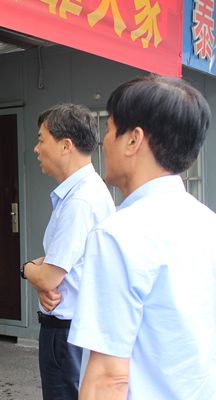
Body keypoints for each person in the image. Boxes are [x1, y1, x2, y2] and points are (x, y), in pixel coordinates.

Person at [68, 75, 216, 399]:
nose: (104, 142)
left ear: (133, 140)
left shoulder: (117, 236)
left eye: (109, 130)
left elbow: (108, 378)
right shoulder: (208, 222)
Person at [20, 103, 115, 400]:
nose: (36, 149)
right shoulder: (85, 191)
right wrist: (43, 274)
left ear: (65, 145)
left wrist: (26, 269)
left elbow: (49, 277)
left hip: (66, 334)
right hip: (75, 329)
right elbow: (57, 267)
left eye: (41, 139)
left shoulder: (79, 201)